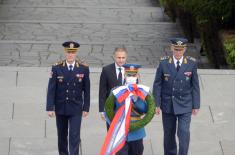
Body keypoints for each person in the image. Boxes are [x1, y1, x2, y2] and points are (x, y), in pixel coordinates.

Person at [153, 37, 200, 155]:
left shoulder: (191, 63)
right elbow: (157, 84)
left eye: (180, 49)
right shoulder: (164, 63)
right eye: (176, 49)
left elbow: (195, 85)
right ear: (171, 48)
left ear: (184, 49)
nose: (178, 52)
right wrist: (156, 104)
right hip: (168, 104)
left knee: (183, 133)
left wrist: (196, 104)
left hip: (185, 104)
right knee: (169, 134)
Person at [100, 64, 155, 155]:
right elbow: (108, 111)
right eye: (129, 75)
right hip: (120, 133)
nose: (131, 77)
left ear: (137, 76)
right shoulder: (117, 90)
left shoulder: (142, 91)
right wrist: (116, 125)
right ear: (125, 75)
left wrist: (136, 99)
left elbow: (146, 109)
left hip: (136, 132)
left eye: (134, 75)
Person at [46, 41, 90, 155]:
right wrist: (50, 107)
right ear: (65, 52)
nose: (70, 55)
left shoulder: (83, 68)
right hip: (61, 107)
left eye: (73, 52)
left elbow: (87, 90)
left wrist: (86, 107)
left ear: (76, 53)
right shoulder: (57, 67)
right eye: (68, 52)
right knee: (62, 135)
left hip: (76, 108)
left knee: (74, 136)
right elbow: (51, 89)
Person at [99, 47, 128, 127]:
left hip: (126, 109)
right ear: (114, 57)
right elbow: (102, 91)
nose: (121, 60)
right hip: (111, 109)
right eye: (119, 57)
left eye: (123, 58)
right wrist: (102, 110)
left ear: (126, 57)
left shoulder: (130, 70)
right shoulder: (106, 70)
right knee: (111, 134)